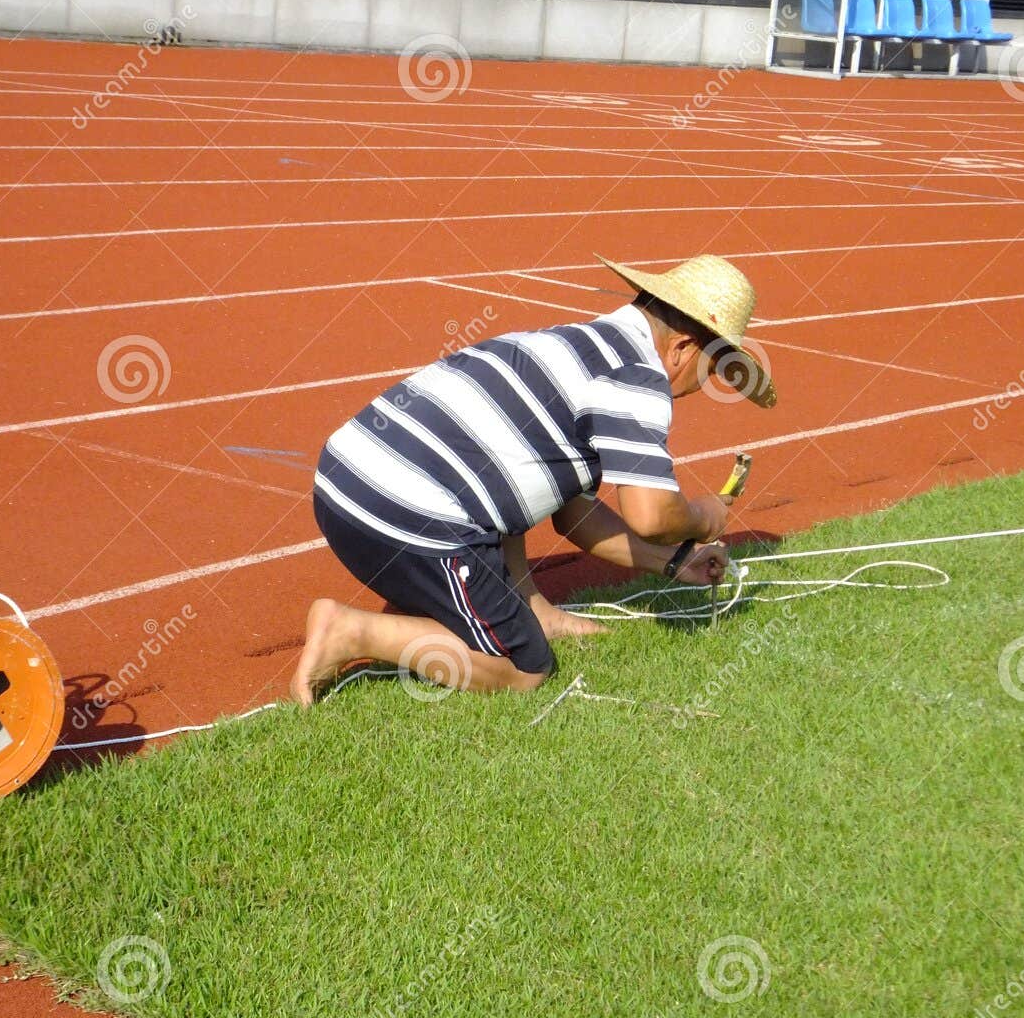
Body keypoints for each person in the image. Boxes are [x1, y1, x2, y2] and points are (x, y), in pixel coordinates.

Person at [291, 253, 775, 702]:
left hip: (341, 484)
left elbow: (572, 513)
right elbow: (652, 516)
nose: (706, 385)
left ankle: (533, 611)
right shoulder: (636, 378)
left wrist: (672, 563)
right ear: (683, 349)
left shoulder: (571, 345)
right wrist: (703, 518)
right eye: (713, 369)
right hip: (395, 514)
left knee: (517, 480)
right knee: (524, 669)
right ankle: (352, 632)